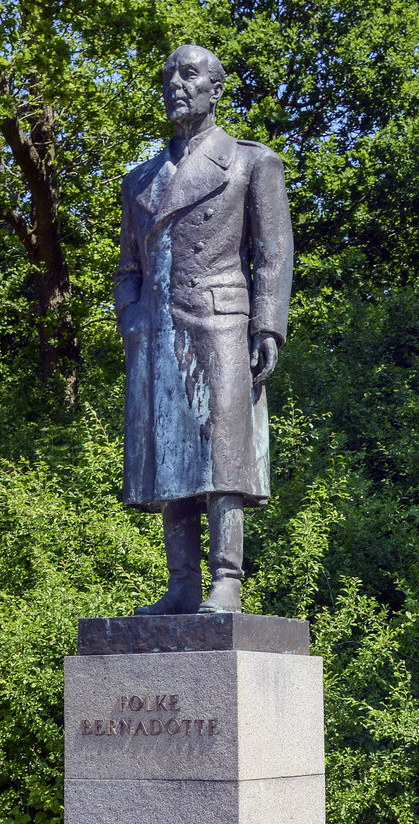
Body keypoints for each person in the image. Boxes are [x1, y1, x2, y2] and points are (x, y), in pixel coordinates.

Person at [114, 43, 294, 614]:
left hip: (219, 322)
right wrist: (133, 318)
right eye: (168, 76)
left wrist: (268, 324)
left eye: (189, 75)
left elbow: (273, 253)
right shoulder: (139, 179)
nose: (176, 85)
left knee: (222, 455)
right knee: (170, 456)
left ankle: (228, 579)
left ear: (216, 90)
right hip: (159, 331)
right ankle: (182, 583)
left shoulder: (250, 162)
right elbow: (128, 269)